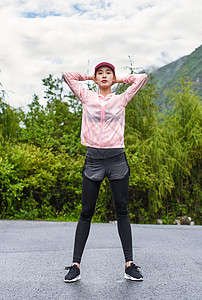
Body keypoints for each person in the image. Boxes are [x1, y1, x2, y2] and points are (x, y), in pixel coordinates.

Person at [62, 62, 147, 282]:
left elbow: (142, 78)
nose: (104, 76)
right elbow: (67, 75)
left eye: (108, 73)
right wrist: (90, 77)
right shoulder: (87, 97)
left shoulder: (121, 99)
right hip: (93, 160)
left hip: (117, 159)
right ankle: (75, 265)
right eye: (101, 73)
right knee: (86, 212)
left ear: (113, 76)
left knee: (122, 210)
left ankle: (129, 265)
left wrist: (118, 79)